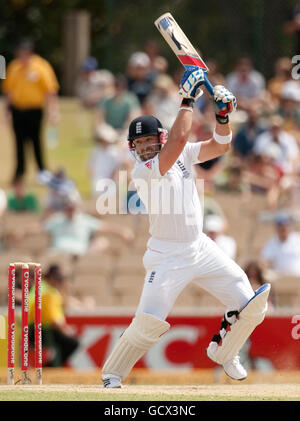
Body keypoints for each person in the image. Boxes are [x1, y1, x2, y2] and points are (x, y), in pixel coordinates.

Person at [101, 67, 271, 388]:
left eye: (151, 140)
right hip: (167, 256)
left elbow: (219, 147)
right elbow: (179, 138)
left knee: (249, 304)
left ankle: (225, 350)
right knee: (148, 323)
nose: (146, 147)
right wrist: (187, 98)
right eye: (140, 143)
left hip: (200, 246)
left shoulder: (180, 155)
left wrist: (222, 118)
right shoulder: (144, 171)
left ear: (160, 138)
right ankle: (112, 374)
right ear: (132, 149)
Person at [2, 38, 59, 182]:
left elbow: (50, 91)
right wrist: (6, 112)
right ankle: (20, 171)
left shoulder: (41, 67)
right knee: (19, 142)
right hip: (18, 110)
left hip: (35, 110)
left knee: (35, 140)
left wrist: (53, 111)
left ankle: (41, 171)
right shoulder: (14, 67)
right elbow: (8, 91)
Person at [28, 264, 79, 367]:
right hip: (43, 329)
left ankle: (52, 366)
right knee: (72, 343)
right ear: (51, 278)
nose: (60, 282)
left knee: (65, 343)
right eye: (58, 279)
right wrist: (66, 330)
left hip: (35, 328)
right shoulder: (49, 292)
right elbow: (53, 320)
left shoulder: (42, 287)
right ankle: (52, 367)